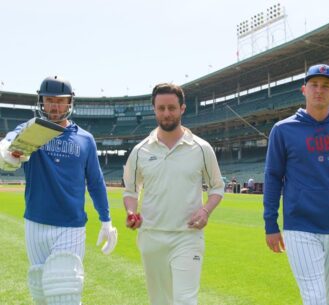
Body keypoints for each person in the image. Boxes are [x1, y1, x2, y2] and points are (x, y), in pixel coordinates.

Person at [0, 76, 118, 305]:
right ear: (41, 102)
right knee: (41, 293)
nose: (55, 105)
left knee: (65, 292)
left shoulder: (85, 139)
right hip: (36, 222)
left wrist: (106, 220)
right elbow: (10, 143)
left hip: (71, 225)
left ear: (69, 102)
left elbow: (95, 181)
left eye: (60, 101)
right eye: (49, 100)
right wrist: (7, 153)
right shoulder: (30, 130)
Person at [263, 64, 329, 305]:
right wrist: (270, 223)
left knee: (327, 298)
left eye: (326, 86)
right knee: (315, 299)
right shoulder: (283, 129)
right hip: (300, 225)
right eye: (314, 85)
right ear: (304, 90)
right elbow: (272, 177)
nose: (319, 90)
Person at [123, 83, 224, 305]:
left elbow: (217, 187)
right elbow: (130, 189)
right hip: (151, 236)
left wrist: (206, 210)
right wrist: (131, 211)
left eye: (171, 108)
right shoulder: (140, 151)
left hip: (187, 236)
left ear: (182, 108)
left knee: (185, 300)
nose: (166, 113)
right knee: (160, 301)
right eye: (161, 108)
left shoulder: (201, 148)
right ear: (154, 109)